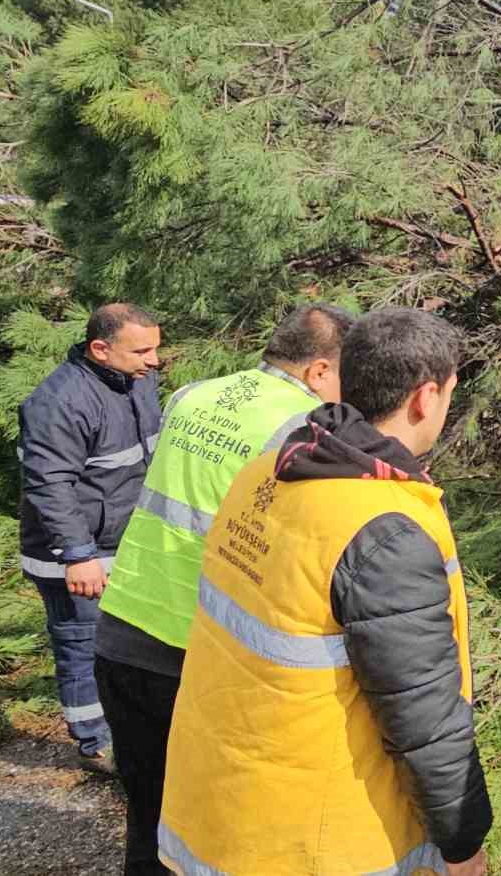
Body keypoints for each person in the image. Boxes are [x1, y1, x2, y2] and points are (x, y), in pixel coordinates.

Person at [159, 308, 490, 876]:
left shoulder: (268, 472)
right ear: (426, 396)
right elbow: (424, 717)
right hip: (317, 835)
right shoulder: (382, 530)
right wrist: (463, 843)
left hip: (220, 800)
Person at [93, 304, 354, 876]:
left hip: (125, 624)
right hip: (200, 649)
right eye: (344, 375)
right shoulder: (303, 428)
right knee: (211, 825)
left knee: (146, 811)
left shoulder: (194, 394)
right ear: (317, 371)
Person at [18, 303, 163, 773]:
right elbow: (50, 485)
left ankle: (127, 728)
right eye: (142, 350)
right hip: (73, 557)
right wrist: (78, 556)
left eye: (156, 348)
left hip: (122, 543)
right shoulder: (58, 402)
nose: (154, 360)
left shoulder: (138, 382)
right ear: (101, 349)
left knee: (125, 645)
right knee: (83, 645)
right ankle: (95, 743)